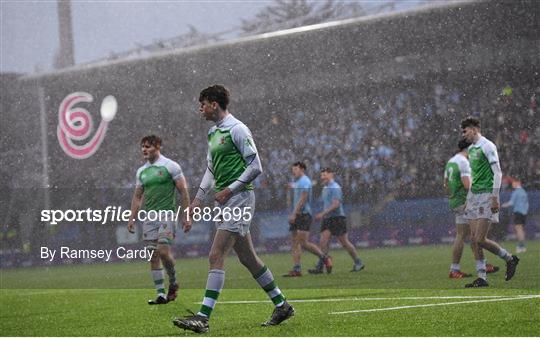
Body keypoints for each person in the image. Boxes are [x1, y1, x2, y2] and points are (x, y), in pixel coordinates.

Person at [173, 85, 293, 333]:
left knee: (216, 255)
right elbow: (210, 169)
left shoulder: (238, 129)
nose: (200, 109)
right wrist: (197, 200)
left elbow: (256, 166)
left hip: (239, 200)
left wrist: (231, 189)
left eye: (202, 104)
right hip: (227, 201)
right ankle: (282, 305)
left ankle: (202, 318)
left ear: (214, 104)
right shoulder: (213, 133)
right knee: (248, 258)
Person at [127, 135, 191, 304]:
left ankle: (174, 281)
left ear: (158, 146)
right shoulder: (141, 171)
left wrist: (187, 215)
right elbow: (137, 197)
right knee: (153, 255)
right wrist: (132, 218)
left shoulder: (171, 166)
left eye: (148, 146)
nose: (144, 150)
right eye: (142, 147)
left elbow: (183, 191)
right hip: (149, 217)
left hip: (167, 214)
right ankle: (161, 294)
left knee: (163, 251)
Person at [461, 117, 519, 288]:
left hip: (487, 195)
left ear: (474, 129)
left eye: (465, 131)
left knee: (480, 239)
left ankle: (510, 258)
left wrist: (495, 196)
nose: (463, 135)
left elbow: (498, 173)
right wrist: (468, 197)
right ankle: (482, 277)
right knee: (473, 239)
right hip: (474, 196)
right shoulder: (471, 149)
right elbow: (475, 176)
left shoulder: (488, 146)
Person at [444, 140, 499, 279]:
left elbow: (445, 184)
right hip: (466, 202)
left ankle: (455, 269)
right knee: (476, 234)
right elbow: (468, 184)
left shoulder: (451, 161)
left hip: (456, 201)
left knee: (462, 234)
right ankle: (482, 264)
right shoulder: (463, 162)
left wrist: (453, 196)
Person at [311, 167, 364, 273]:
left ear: (331, 175)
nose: (322, 177)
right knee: (323, 242)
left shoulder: (335, 187)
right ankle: (321, 265)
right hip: (328, 218)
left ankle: (358, 262)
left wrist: (322, 213)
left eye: (324, 175)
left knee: (344, 242)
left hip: (337, 218)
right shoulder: (325, 188)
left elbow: (336, 204)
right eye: (321, 176)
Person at [284, 162, 331, 277]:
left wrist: (294, 214)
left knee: (303, 243)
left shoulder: (305, 181)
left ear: (302, 170)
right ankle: (297, 269)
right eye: (292, 170)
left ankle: (325, 258)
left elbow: (304, 197)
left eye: (295, 169)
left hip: (303, 215)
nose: (293, 172)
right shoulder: (299, 182)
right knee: (295, 243)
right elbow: (297, 187)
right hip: (298, 215)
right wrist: (290, 186)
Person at [501, 178, 529, 253]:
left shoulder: (516, 192)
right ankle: (522, 246)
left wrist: (503, 205)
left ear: (518, 183)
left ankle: (521, 246)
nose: (513, 184)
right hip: (524, 213)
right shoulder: (523, 192)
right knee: (521, 229)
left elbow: (511, 203)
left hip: (518, 212)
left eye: (514, 183)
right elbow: (526, 203)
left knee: (519, 229)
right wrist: (525, 211)